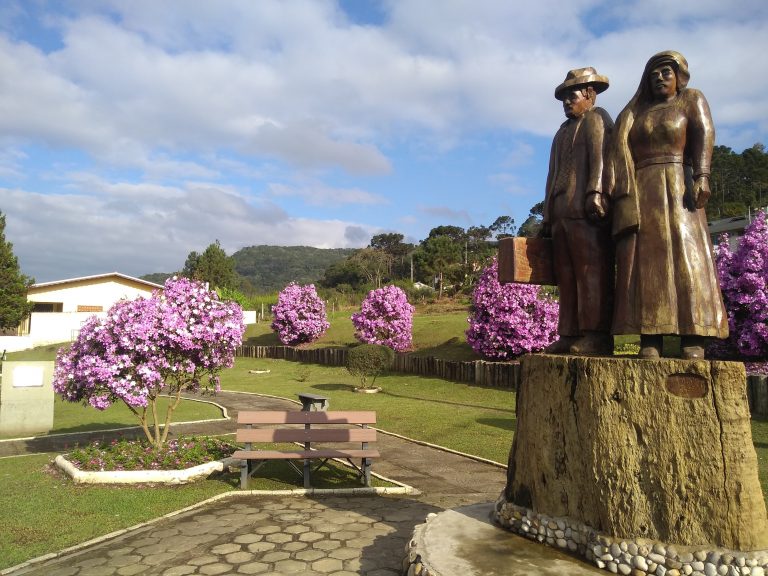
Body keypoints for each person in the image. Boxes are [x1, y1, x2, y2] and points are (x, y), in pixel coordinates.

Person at [610, 50, 728, 359]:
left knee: (688, 257)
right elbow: (617, 146)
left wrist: (703, 174)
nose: (660, 78)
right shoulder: (637, 112)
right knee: (648, 263)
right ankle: (651, 332)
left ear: (679, 76)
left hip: (679, 186)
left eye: (666, 72)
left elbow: (705, 132)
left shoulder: (691, 99)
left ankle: (695, 333)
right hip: (643, 190)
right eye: (654, 74)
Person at [541, 67, 615, 355]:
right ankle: (568, 332)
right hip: (560, 211)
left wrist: (597, 192)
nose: (567, 103)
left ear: (589, 94)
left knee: (591, 272)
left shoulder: (597, 120)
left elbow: (602, 160)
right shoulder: (561, 132)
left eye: (572, 96)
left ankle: (595, 334)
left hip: (585, 209)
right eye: (564, 99)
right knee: (566, 275)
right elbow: (552, 173)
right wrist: (548, 213)